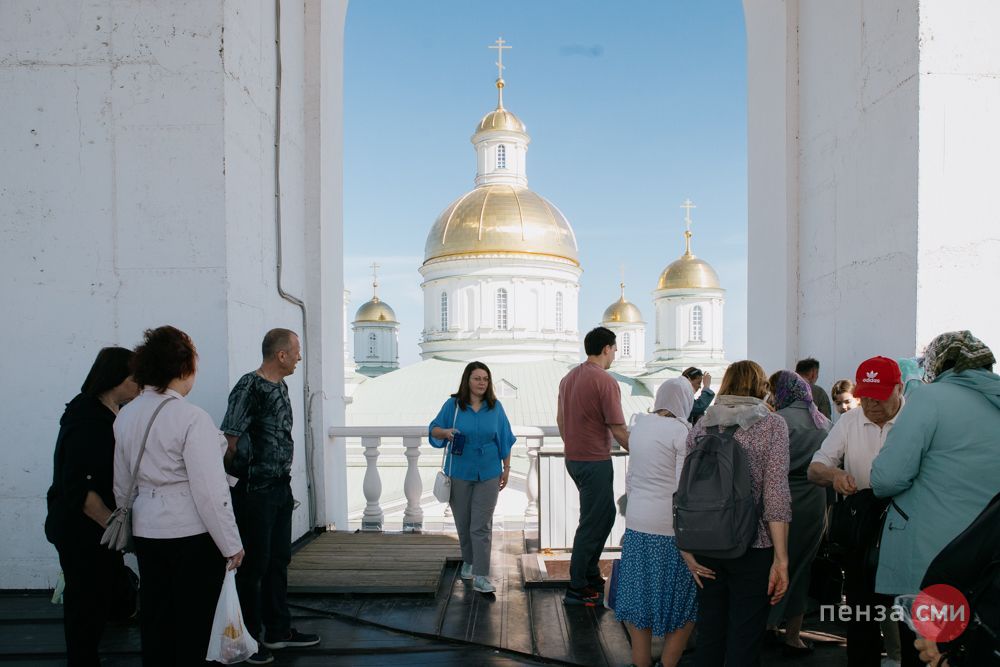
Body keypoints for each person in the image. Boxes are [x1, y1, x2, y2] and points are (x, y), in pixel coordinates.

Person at [113, 326, 244, 666]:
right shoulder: (192, 418)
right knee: (195, 625)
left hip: (147, 530)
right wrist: (231, 544)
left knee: (157, 618)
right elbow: (210, 491)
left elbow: (122, 483)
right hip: (191, 534)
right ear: (184, 368)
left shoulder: (126, 414)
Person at [871, 331, 1000, 667]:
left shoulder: (929, 398)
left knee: (925, 654)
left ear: (937, 363)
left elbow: (886, 478)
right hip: (988, 564)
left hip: (933, 561)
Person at [681, 360, 791, 667]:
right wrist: (781, 559)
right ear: (761, 387)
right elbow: (776, 495)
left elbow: (683, 488)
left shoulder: (702, 425)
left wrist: (686, 548)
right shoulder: (772, 425)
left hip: (705, 542)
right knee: (746, 635)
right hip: (753, 545)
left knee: (710, 634)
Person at [221, 328, 319, 665]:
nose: (299, 357)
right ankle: (249, 639)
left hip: (279, 489)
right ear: (281, 355)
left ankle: (278, 631)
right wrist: (237, 483)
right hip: (255, 492)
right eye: (296, 351)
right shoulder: (249, 387)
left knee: (279, 560)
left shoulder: (280, 386)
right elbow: (230, 440)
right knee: (254, 566)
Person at [45, 347, 140, 666]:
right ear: (116, 378)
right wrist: (118, 532)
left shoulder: (110, 412)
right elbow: (82, 491)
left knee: (99, 600)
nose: (140, 385)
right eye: (135, 378)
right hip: (83, 531)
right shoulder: (88, 420)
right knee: (86, 607)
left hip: (97, 532)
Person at [808, 356, 905, 667]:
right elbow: (815, 468)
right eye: (867, 397)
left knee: (905, 614)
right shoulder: (850, 421)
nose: (872, 405)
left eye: (880, 397)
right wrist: (835, 475)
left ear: (899, 389)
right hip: (862, 531)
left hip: (905, 530)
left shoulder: (915, 421)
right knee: (862, 614)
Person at [614, 377, 698, 667]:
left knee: (641, 596)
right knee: (682, 600)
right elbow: (683, 487)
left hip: (637, 522)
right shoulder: (682, 432)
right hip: (669, 529)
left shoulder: (639, 426)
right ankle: (668, 663)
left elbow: (631, 479)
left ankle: (641, 662)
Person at [428, 361, 516, 594]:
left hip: (489, 471)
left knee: (481, 525)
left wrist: (506, 468)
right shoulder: (453, 406)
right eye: (477, 378)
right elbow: (433, 429)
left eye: (485, 379)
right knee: (463, 523)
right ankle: (468, 561)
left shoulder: (495, 408)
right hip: (459, 471)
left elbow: (505, 439)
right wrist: (446, 432)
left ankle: (481, 575)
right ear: (467, 380)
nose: (482, 383)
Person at [557, 326, 630, 605]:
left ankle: (589, 574)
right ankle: (577, 588)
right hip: (594, 460)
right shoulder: (605, 381)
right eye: (614, 350)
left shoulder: (569, 378)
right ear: (606, 349)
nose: (614, 355)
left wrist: (573, 445)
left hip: (574, 458)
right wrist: (643, 452)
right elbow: (618, 428)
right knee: (591, 523)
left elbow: (561, 420)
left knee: (605, 515)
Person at [765, 371, 831, 656]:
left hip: (781, 499)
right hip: (815, 499)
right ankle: (794, 635)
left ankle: (768, 624)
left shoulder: (776, 420)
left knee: (775, 562)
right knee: (803, 566)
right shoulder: (822, 421)